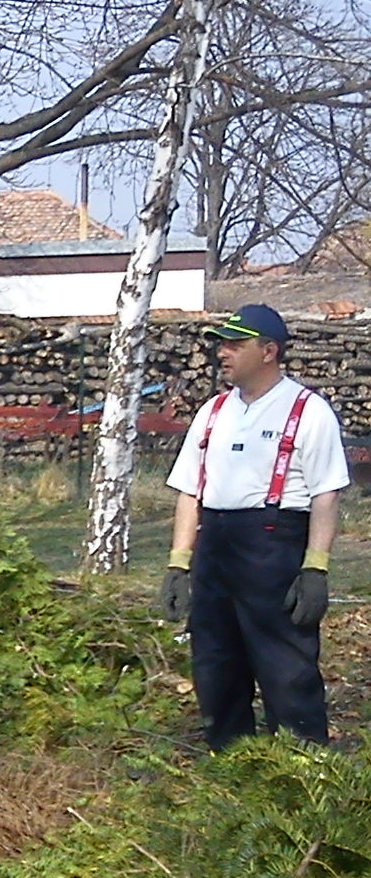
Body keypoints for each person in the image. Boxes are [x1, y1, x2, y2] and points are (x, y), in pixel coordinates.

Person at [160, 303, 347, 749]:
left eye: (235, 344)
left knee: (287, 670)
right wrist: (179, 564)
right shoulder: (213, 412)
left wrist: (315, 568)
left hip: (274, 547)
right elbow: (190, 491)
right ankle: (233, 769)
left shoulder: (307, 410)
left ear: (269, 351)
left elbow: (326, 493)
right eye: (221, 344)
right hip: (216, 549)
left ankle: (302, 773)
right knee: (215, 666)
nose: (222, 353)